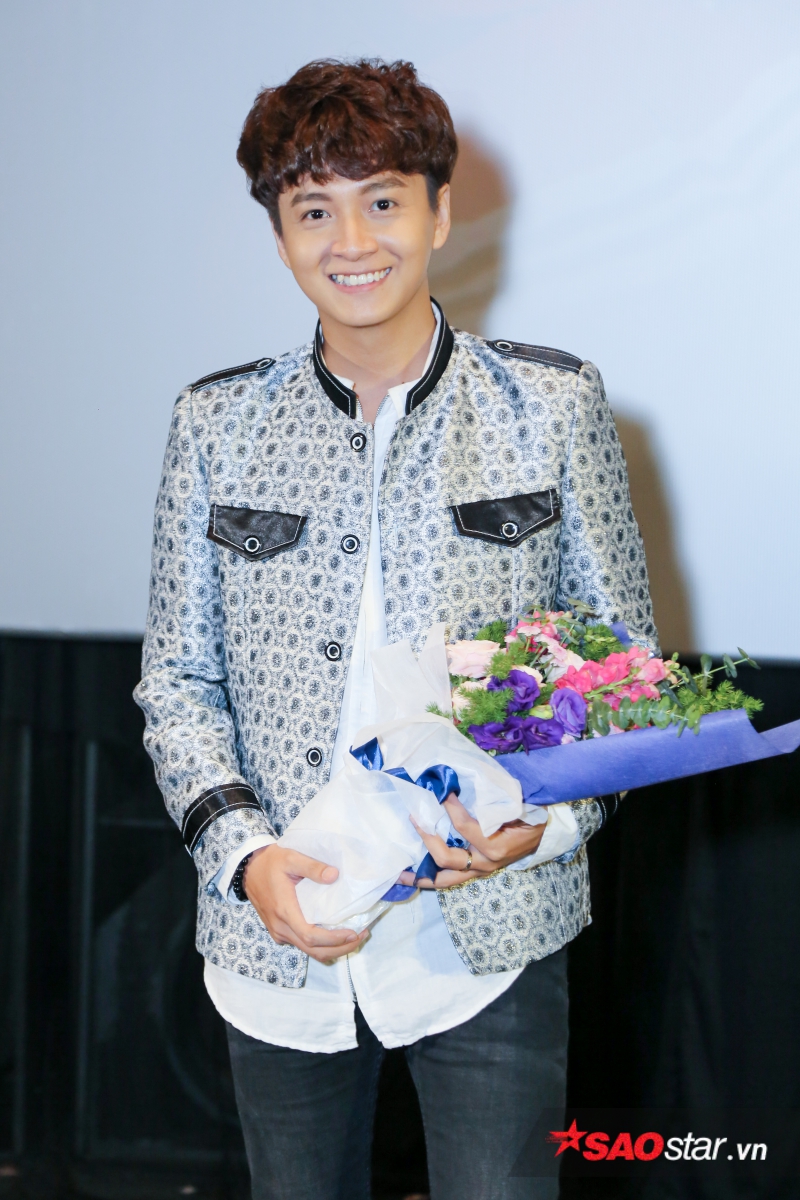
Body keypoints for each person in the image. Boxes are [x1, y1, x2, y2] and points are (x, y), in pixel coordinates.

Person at [134, 57, 657, 1200]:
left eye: (380, 200)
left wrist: (542, 826)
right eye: (312, 210)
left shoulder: (550, 406)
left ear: (439, 212)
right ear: (280, 235)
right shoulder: (215, 423)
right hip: (281, 932)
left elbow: (623, 670)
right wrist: (241, 856)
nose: (352, 240)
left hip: (488, 928)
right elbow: (176, 681)